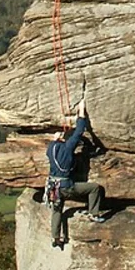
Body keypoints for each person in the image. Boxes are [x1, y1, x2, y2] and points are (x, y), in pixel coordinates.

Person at [45, 97, 106, 248]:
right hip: (67, 186)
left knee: (57, 211)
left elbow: (55, 142)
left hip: (54, 187)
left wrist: (56, 137)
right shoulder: (67, 148)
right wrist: (81, 112)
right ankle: (94, 213)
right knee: (94, 188)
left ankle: (55, 237)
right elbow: (79, 131)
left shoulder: (51, 149)